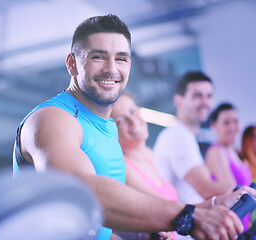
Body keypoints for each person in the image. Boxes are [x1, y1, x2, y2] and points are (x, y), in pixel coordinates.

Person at [13, 15, 249, 240]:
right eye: (98, 56)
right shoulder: (53, 118)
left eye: (121, 58)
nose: (111, 69)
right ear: (72, 64)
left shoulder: (107, 128)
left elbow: (112, 219)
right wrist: (186, 218)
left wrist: (216, 204)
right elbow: (80, 191)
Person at [111, 93, 254, 239]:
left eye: (133, 111)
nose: (132, 120)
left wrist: (218, 201)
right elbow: (167, 210)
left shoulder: (149, 155)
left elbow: (177, 208)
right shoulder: (124, 168)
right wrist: (216, 201)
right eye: (120, 120)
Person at [153, 71, 235, 206]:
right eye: (197, 96)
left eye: (209, 96)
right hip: (183, 224)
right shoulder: (177, 136)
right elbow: (207, 190)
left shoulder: (186, 136)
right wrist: (237, 190)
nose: (205, 102)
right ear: (178, 100)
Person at [205, 103, 252, 230]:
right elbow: (230, 189)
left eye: (235, 121)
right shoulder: (217, 151)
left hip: (241, 226)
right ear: (214, 126)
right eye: (226, 122)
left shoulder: (237, 155)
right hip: (226, 228)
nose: (232, 127)